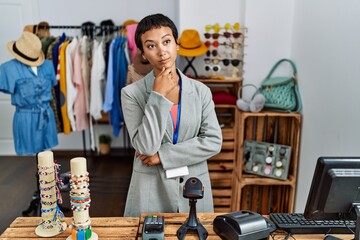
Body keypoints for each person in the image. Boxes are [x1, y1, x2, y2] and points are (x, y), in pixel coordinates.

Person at [121, 13, 223, 217]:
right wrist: (158, 95)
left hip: (193, 185)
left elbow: (213, 141)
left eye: (166, 41)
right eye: (151, 46)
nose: (162, 51)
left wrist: (162, 156)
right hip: (150, 188)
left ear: (177, 44)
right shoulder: (131, 94)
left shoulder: (201, 91)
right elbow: (145, 147)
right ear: (142, 54)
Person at [0, 31, 58, 155]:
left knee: (46, 156)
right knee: (28, 158)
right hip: (25, 118)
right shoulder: (7, 69)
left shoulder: (48, 65)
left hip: (46, 115)